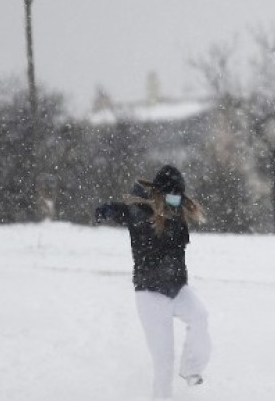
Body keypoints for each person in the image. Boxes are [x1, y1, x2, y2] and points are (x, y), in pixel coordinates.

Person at [94, 164, 211, 399]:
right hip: (150, 294)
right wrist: (105, 210)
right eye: (172, 195)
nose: (176, 200)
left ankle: (191, 369)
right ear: (160, 193)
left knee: (200, 316)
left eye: (179, 195)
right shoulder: (138, 212)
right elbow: (119, 210)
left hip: (177, 289)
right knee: (164, 361)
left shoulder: (177, 214)